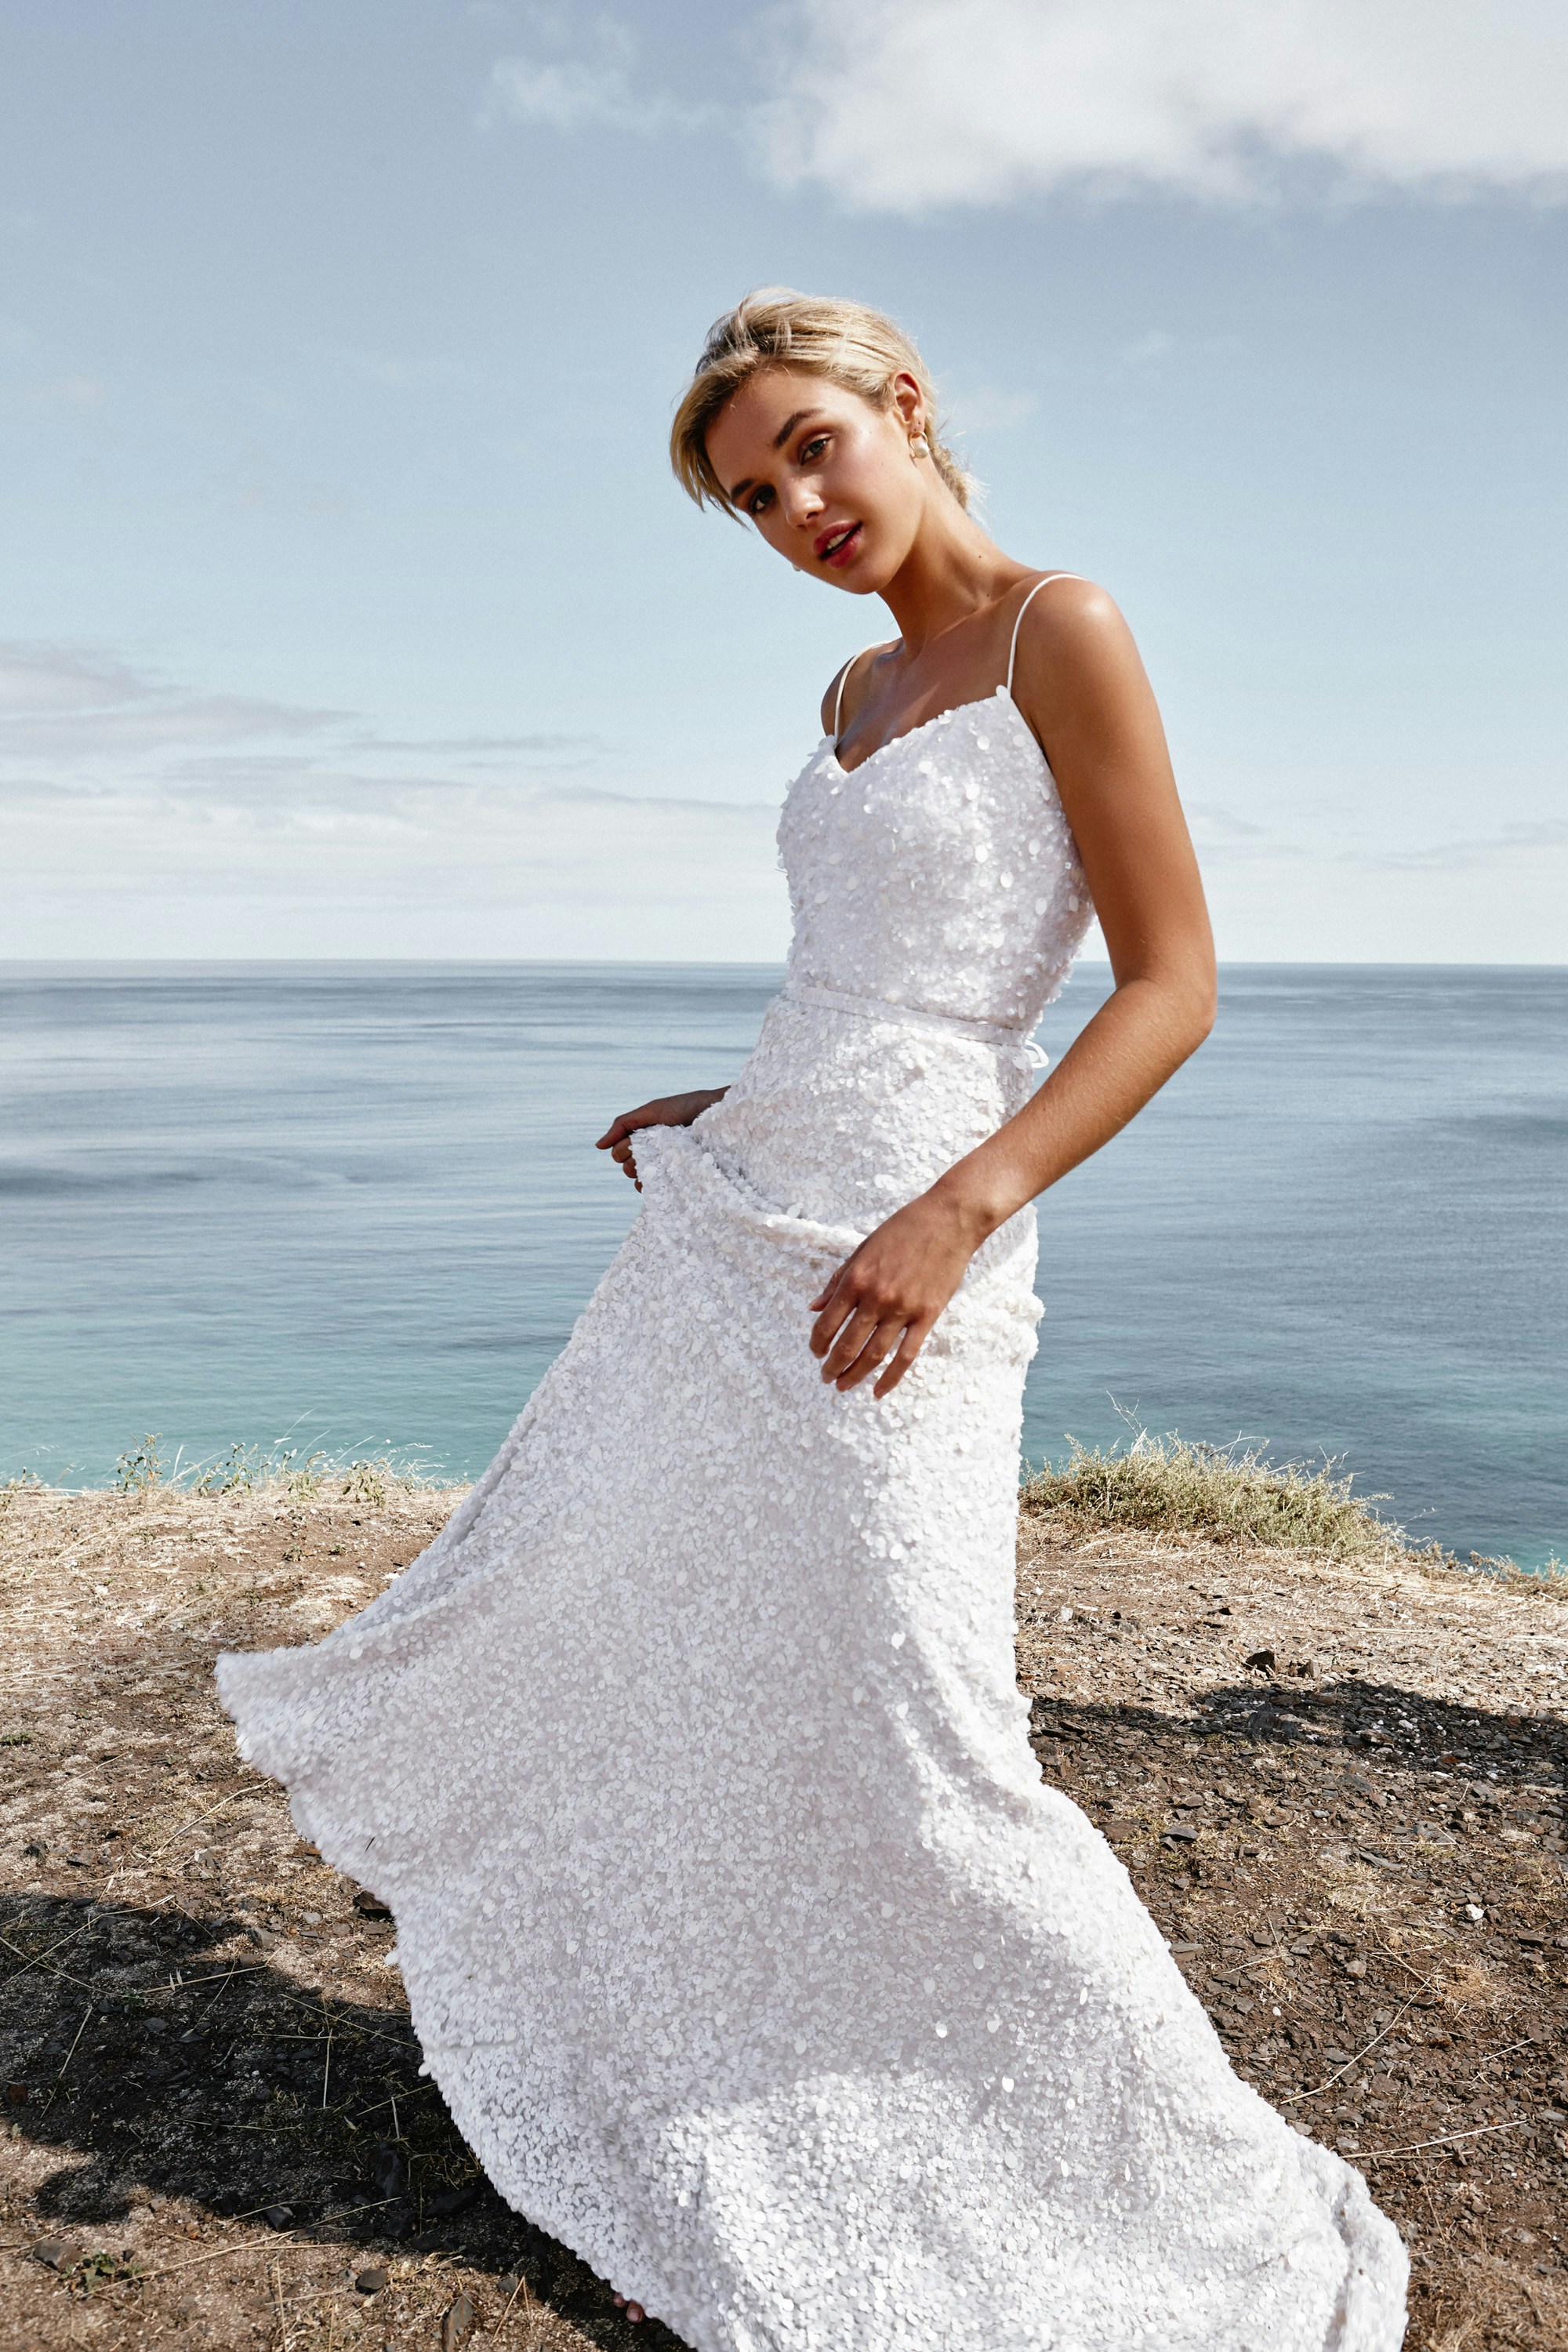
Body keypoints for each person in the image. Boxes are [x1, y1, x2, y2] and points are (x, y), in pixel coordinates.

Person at [220, 291, 1408, 2350]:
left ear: (905, 406)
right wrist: (731, 1104)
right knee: (667, 1610)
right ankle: (713, 2043)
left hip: (925, 1235)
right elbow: (860, 980)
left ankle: (1133, 2182)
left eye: (810, 451)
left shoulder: (1066, 629)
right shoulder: (851, 688)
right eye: (754, 495)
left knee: (935, 1725)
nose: (796, 505)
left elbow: (1169, 984)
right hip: (753, 1204)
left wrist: (961, 1205)